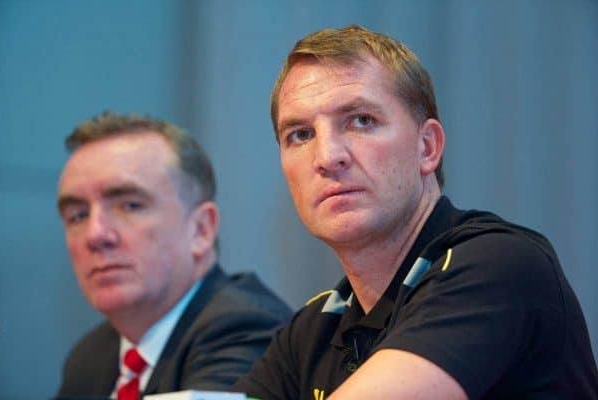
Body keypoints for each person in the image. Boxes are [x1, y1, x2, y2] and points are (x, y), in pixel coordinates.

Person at [233, 25, 598, 399]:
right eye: (300, 135)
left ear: (427, 147)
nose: (327, 157)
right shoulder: (316, 328)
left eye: (361, 120)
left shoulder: (498, 266)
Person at [55, 112, 292, 399]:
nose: (96, 235)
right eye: (78, 215)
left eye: (129, 206)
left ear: (201, 230)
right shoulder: (90, 357)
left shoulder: (246, 330)